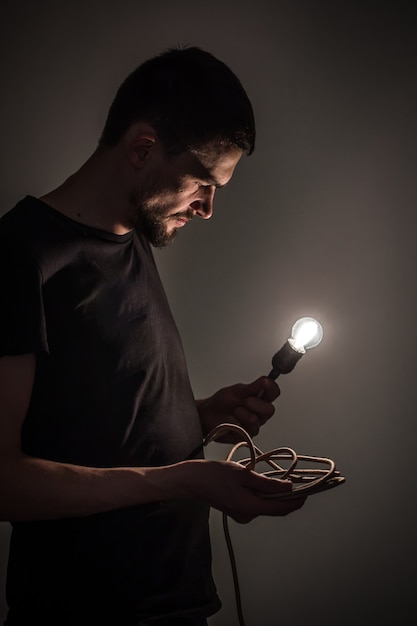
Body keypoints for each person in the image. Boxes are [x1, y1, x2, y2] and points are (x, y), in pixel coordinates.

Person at [0, 46, 306, 626]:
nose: (209, 208)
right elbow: (1, 480)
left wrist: (198, 418)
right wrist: (186, 478)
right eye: (202, 183)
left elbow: (87, 425)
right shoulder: (21, 258)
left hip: (178, 603)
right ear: (143, 149)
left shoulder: (134, 238)